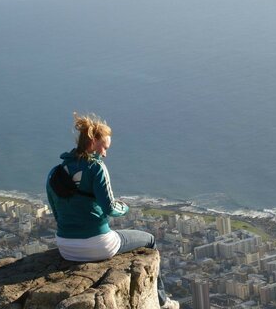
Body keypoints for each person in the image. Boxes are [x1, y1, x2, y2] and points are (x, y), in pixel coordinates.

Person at [46, 113, 179, 309]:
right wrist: (124, 207)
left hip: (65, 247)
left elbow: (56, 213)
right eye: (104, 147)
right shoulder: (96, 167)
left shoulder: (55, 172)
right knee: (149, 240)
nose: (105, 153)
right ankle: (162, 300)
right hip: (98, 244)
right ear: (92, 142)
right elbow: (109, 208)